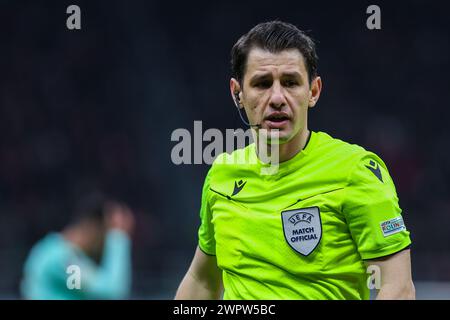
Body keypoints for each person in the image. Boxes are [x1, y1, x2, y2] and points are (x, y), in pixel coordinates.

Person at [175, 21, 414, 300]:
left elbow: (397, 288)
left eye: (290, 82)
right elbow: (202, 280)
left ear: (313, 91)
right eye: (262, 84)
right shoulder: (222, 175)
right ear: (237, 93)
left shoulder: (356, 170)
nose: (277, 98)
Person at [21, 192, 135, 299]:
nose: (105, 245)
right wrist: (118, 236)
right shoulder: (61, 258)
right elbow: (113, 291)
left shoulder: (50, 250)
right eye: (106, 236)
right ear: (93, 228)